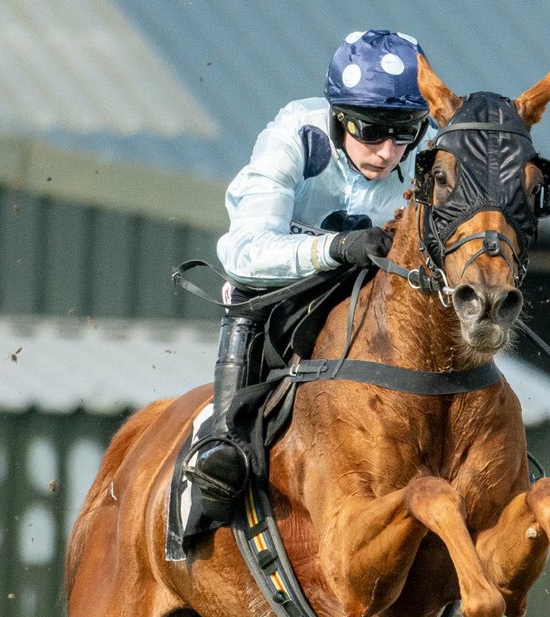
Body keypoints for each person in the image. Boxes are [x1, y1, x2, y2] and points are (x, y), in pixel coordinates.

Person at [186, 29, 434, 525]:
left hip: (372, 304)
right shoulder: (294, 136)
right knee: (225, 465)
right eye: (369, 131)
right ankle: (216, 464)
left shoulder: (428, 152)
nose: (387, 152)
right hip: (276, 301)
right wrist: (338, 248)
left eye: (404, 131)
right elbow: (243, 253)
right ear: (339, 117)